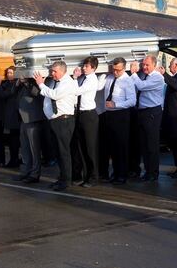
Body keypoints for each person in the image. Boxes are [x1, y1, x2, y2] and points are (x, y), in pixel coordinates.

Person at [35, 61, 78, 192]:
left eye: (54, 71)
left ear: (62, 71)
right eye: (51, 71)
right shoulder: (55, 82)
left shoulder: (67, 83)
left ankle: (66, 180)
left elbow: (55, 95)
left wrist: (40, 84)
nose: (52, 73)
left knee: (63, 152)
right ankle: (62, 177)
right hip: (55, 120)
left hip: (63, 121)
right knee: (58, 152)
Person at [98, 57, 136, 185]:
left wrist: (116, 104)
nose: (115, 72)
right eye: (113, 69)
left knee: (121, 146)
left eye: (118, 70)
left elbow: (132, 101)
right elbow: (98, 87)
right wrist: (104, 73)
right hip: (109, 115)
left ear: (124, 68)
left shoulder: (127, 81)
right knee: (112, 146)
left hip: (121, 115)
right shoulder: (109, 78)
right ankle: (115, 172)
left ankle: (122, 174)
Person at [129, 55, 166, 182]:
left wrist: (133, 73)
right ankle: (148, 171)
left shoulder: (157, 77)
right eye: (143, 64)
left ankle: (153, 173)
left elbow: (141, 86)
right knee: (144, 144)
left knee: (152, 144)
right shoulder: (145, 76)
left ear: (154, 65)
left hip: (152, 113)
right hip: (143, 112)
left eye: (147, 65)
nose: (144, 67)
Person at [73, 57, 101, 187]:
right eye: (84, 65)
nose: (84, 68)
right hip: (81, 114)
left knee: (90, 148)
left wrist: (74, 78)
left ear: (93, 68)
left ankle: (94, 177)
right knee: (82, 147)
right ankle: (86, 176)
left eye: (87, 66)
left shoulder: (91, 80)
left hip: (89, 115)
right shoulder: (84, 78)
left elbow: (77, 91)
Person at [15, 77, 46, 183]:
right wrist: (19, 84)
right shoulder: (21, 86)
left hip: (33, 119)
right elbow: (12, 93)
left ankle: (35, 173)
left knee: (34, 149)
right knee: (25, 148)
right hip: (24, 119)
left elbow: (37, 93)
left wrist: (28, 83)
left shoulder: (35, 83)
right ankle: (25, 171)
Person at [0, 67, 21, 168]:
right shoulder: (8, 84)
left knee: (14, 140)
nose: (8, 75)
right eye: (7, 73)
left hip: (14, 115)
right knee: (12, 140)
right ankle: (13, 159)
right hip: (10, 114)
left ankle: (14, 160)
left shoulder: (16, 84)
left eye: (11, 73)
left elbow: (4, 94)